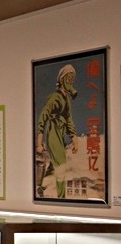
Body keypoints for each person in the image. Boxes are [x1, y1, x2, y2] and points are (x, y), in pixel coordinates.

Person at [36, 64, 78, 198]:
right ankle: (62, 197)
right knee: (61, 165)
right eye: (68, 78)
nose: (70, 81)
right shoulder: (55, 97)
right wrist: (39, 143)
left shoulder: (66, 100)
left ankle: (41, 188)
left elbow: (69, 120)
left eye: (72, 79)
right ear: (61, 80)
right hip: (53, 133)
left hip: (61, 134)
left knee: (54, 166)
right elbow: (43, 117)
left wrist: (75, 140)